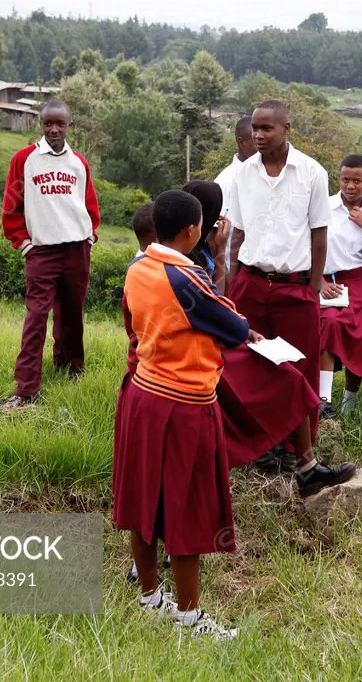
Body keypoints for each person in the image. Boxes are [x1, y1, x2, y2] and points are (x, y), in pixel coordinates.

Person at [113, 189, 249, 640]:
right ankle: (189, 618)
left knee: (143, 501)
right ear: (193, 231)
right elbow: (234, 327)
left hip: (144, 395)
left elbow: (133, 321)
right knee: (187, 510)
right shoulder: (185, 277)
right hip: (185, 403)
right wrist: (221, 260)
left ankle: (151, 598)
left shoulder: (137, 267)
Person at [183, 180, 355, 484]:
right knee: (287, 378)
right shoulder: (187, 265)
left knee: (287, 374)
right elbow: (216, 308)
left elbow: (218, 305)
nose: (221, 225)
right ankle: (302, 465)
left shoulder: (194, 254)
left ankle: (291, 456)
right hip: (202, 354)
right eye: (214, 219)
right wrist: (242, 328)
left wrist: (218, 252)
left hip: (211, 343)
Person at [227, 100, 331, 469]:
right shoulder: (243, 174)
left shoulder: (312, 172)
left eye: (267, 128)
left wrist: (313, 288)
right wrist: (232, 283)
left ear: (287, 128)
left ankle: (297, 451)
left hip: (295, 287)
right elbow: (236, 233)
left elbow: (320, 234)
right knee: (254, 367)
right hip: (252, 283)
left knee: (298, 368)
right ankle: (261, 445)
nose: (258, 135)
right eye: (255, 128)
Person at [0, 100, 100, 410]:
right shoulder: (24, 160)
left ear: (70, 125)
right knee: (36, 318)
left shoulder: (78, 163)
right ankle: (26, 388)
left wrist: (91, 236)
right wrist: (25, 244)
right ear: (40, 125)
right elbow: (11, 208)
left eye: (60, 123)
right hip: (42, 252)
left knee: (72, 315)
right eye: (48, 124)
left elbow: (89, 205)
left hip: (76, 250)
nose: (54, 129)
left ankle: (70, 369)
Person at [317, 155, 362, 417]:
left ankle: (349, 404)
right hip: (328, 283)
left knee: (359, 339)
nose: (350, 186)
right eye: (345, 179)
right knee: (329, 325)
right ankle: (322, 401)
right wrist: (320, 281)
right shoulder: (323, 207)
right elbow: (307, 248)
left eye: (357, 181)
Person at [214, 116, 257, 270]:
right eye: (255, 140)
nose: (262, 143)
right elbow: (216, 235)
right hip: (233, 270)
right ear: (241, 142)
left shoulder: (266, 175)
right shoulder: (225, 182)